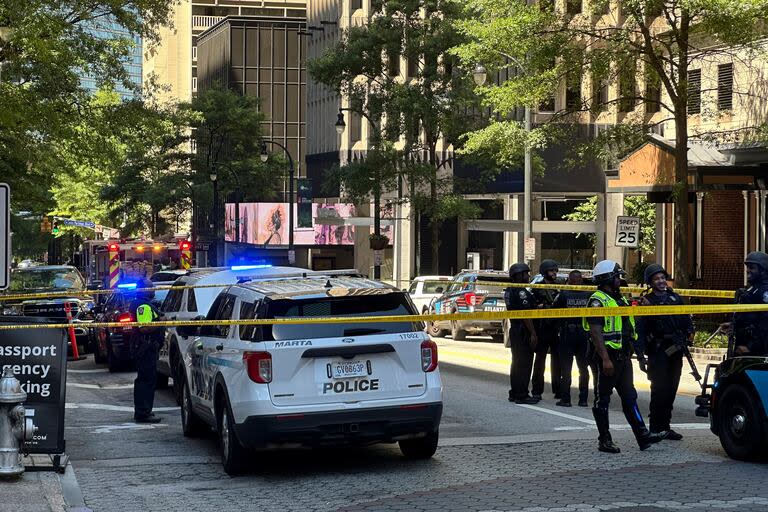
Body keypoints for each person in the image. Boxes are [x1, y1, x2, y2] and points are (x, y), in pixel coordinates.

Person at [583, 260, 663, 453]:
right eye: (617, 276)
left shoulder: (619, 299)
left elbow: (628, 324)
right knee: (602, 399)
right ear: (608, 278)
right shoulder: (597, 300)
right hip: (607, 357)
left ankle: (642, 435)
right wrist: (605, 359)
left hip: (623, 356)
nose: (620, 279)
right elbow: (595, 332)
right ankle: (604, 440)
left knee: (629, 397)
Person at [636, 264, 694, 441]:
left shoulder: (675, 298)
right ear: (650, 282)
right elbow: (641, 329)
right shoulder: (647, 301)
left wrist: (689, 333)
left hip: (676, 350)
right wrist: (640, 355)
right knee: (659, 390)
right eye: (656, 279)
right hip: (658, 351)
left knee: (671, 390)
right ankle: (654, 428)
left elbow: (686, 319)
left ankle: (665, 427)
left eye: (662, 278)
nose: (661, 281)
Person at [552, 270, 592, 407]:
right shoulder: (589, 294)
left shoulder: (564, 294)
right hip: (584, 334)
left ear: (570, 280)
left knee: (566, 369)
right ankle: (583, 399)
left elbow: (554, 310)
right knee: (583, 369)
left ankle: (566, 399)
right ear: (580, 280)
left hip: (567, 334)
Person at [130, 278, 166, 423]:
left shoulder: (144, 304)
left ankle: (143, 411)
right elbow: (144, 328)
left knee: (146, 379)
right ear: (144, 289)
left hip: (146, 347)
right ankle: (143, 412)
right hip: (146, 347)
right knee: (146, 380)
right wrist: (161, 322)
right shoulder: (143, 306)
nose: (153, 289)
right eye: (151, 287)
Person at [504, 263, 539, 404]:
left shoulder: (510, 290)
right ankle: (522, 394)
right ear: (519, 275)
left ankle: (514, 392)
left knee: (516, 363)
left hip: (515, 329)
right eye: (526, 273)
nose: (528, 276)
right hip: (523, 330)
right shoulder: (521, 291)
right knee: (524, 363)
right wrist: (533, 333)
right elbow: (525, 314)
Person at [727, 251, 768, 357]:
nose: (748, 270)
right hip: (743, 343)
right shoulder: (752, 289)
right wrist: (733, 325)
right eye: (747, 267)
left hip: (756, 351)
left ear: (763, 270)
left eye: (752, 267)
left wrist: (751, 347)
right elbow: (748, 317)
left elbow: (765, 322)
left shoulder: (764, 291)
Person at [531, 259, 562, 400]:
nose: (554, 273)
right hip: (542, 328)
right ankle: (537, 390)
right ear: (545, 272)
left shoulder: (560, 287)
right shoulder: (537, 288)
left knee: (558, 361)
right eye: (551, 271)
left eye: (555, 270)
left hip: (556, 327)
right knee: (540, 361)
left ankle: (558, 389)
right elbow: (532, 307)